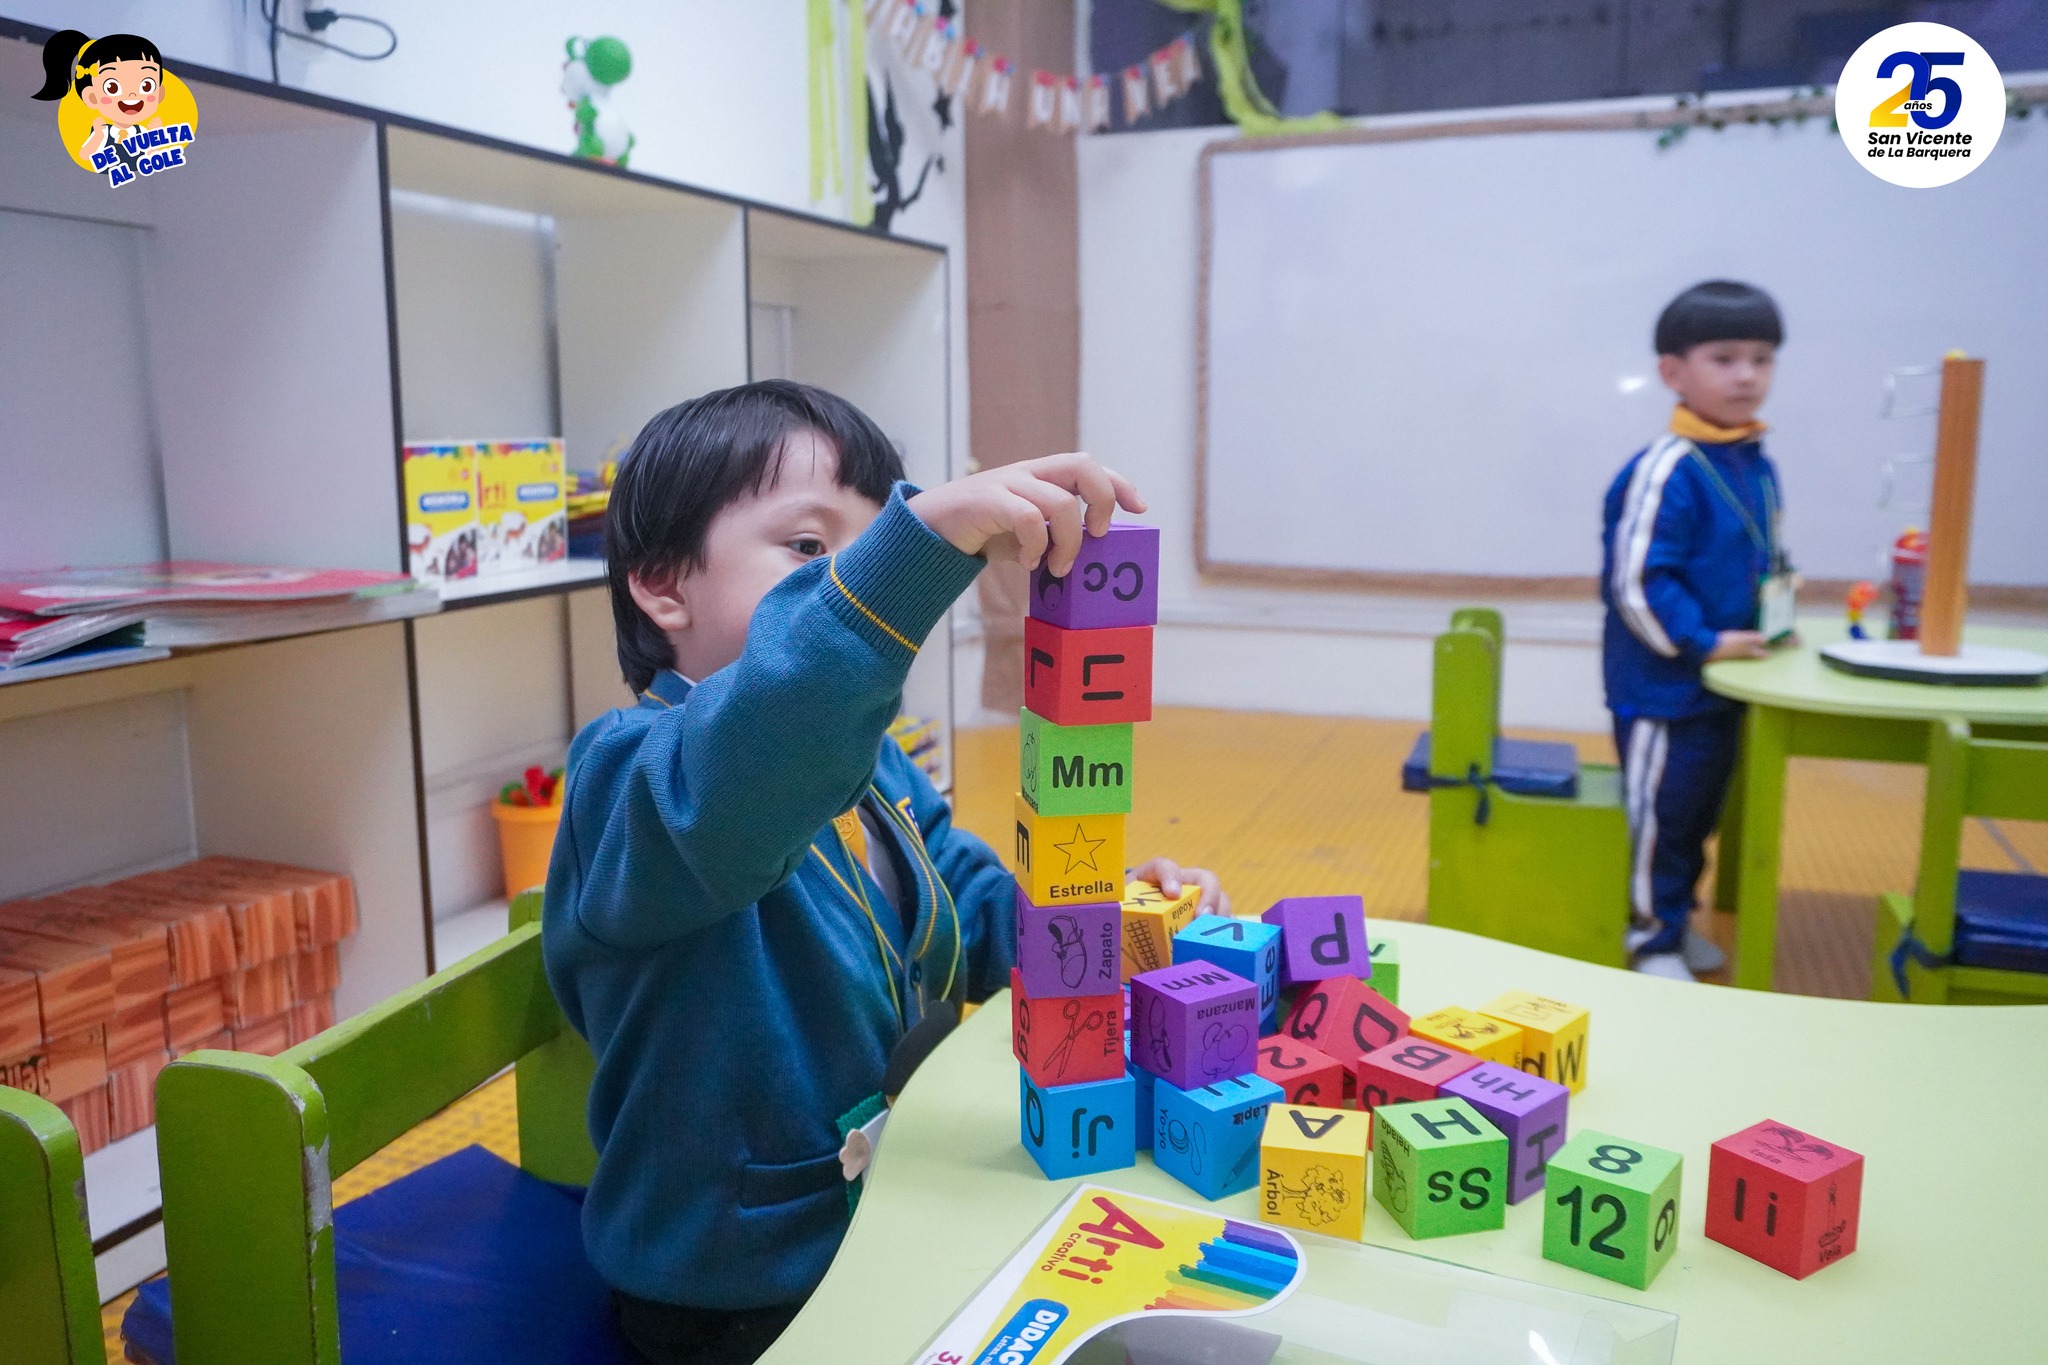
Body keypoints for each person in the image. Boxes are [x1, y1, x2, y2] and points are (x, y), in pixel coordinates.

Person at [544, 381, 1224, 1364]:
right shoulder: (628, 779)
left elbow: (977, 913)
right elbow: (757, 755)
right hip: (745, 1292)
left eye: (868, 554)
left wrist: (1113, 922)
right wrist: (915, 550)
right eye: (810, 548)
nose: (850, 585)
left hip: (896, 1217)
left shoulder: (876, 769)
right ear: (662, 586)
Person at [1601, 281, 1790, 981]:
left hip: (1720, 682)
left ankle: (1674, 922)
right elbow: (1638, 582)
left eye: (1762, 359)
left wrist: (1774, 621)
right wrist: (1703, 642)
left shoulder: (1752, 458)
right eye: (1725, 358)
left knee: (1698, 814)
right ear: (1673, 373)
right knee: (1662, 816)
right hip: (1665, 689)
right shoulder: (1667, 468)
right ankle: (1650, 938)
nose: (1747, 376)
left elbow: (1758, 555)